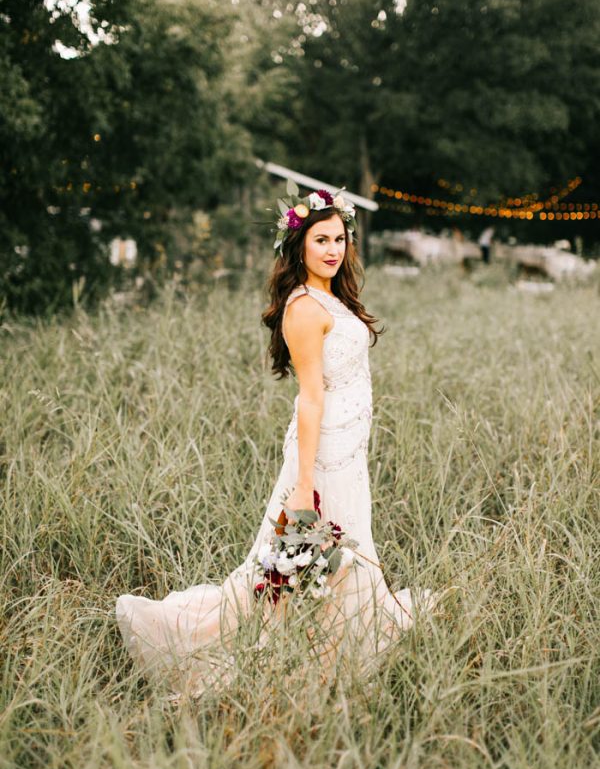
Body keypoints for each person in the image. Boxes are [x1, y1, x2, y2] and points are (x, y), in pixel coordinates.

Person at [116, 186, 436, 698]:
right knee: (295, 565)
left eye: (340, 239)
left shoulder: (331, 296)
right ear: (299, 246)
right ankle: (269, 661)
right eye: (321, 240)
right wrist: (303, 484)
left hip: (349, 453)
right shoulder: (305, 308)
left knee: (330, 560)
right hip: (322, 456)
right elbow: (310, 399)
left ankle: (328, 650)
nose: (333, 249)